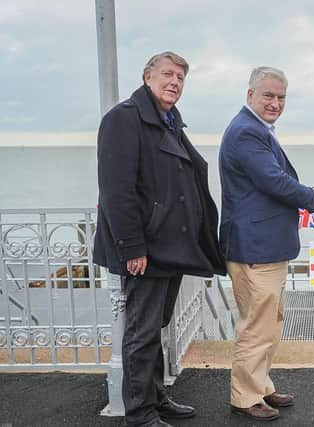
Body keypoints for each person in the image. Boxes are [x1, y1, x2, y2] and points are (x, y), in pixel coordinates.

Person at [94, 51, 226, 427]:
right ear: (148, 77)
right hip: (146, 249)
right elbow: (117, 190)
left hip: (171, 247)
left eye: (181, 78)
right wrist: (132, 247)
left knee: (157, 326)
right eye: (168, 74)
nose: (175, 82)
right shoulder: (124, 119)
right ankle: (139, 413)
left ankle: (155, 397)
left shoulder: (169, 122)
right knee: (142, 330)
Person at [218, 66, 314, 421]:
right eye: (268, 95)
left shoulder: (254, 129)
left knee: (270, 321)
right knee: (257, 324)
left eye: (281, 97)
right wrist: (312, 196)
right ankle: (245, 396)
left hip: (266, 246)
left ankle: (260, 385)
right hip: (255, 247)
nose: (275, 103)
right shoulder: (246, 132)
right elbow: (273, 180)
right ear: (250, 95)